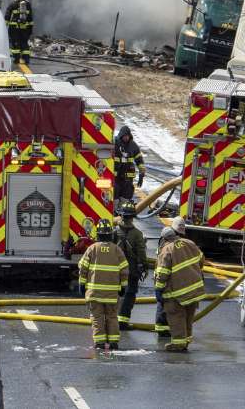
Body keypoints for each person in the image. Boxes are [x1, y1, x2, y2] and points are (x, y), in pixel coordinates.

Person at [153, 217, 206, 352]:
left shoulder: (167, 249)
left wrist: (158, 289)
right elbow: (201, 259)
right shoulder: (190, 243)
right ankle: (186, 341)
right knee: (188, 318)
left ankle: (178, 343)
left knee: (176, 317)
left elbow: (162, 272)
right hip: (195, 290)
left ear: (164, 239)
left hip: (177, 293)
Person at [78, 220, 128, 352]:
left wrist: (82, 284)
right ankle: (113, 342)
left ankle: (99, 343)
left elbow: (83, 268)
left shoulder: (92, 249)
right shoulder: (117, 250)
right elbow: (124, 270)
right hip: (111, 295)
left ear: (98, 234)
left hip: (94, 293)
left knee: (97, 317)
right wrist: (123, 287)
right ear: (111, 235)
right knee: (112, 317)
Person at [115, 202, 148, 330]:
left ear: (121, 215)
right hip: (131, 270)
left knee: (115, 294)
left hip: (115, 269)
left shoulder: (114, 232)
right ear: (132, 217)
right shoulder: (137, 234)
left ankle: (112, 319)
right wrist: (144, 266)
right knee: (129, 294)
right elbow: (141, 253)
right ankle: (122, 321)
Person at [113, 126, 147, 201]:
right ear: (121, 135)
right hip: (115, 178)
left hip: (127, 179)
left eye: (127, 136)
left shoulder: (133, 146)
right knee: (114, 195)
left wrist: (141, 174)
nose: (126, 138)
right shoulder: (114, 143)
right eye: (124, 136)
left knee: (127, 196)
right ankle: (114, 210)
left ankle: (123, 210)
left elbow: (140, 161)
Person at [4, 0, 34, 65]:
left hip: (14, 28)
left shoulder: (12, 4)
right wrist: (30, 29)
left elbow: (7, 17)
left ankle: (16, 59)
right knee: (24, 43)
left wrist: (4, 27)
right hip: (25, 28)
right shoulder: (28, 5)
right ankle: (26, 59)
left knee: (15, 43)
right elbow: (30, 18)